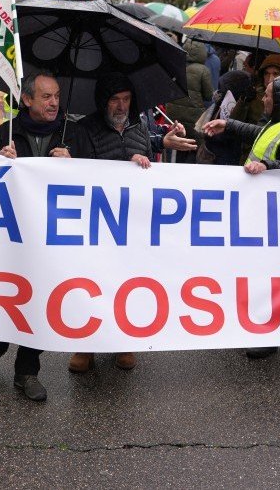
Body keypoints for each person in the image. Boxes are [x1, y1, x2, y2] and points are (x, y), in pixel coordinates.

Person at [68, 72, 197, 374]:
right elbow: (77, 172)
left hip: (132, 227)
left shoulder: (141, 126)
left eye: (126, 99)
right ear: (103, 101)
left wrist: (156, 146)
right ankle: (85, 345)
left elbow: (142, 151)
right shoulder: (85, 128)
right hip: (97, 223)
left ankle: (123, 341)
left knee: (126, 283)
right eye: (115, 99)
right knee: (93, 284)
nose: (121, 106)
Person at [0, 72, 76, 402]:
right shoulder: (7, 131)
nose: (54, 102)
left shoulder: (71, 133)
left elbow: (92, 181)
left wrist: (74, 164)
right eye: (46, 97)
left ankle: (27, 371)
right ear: (27, 100)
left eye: (57, 96)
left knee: (43, 300)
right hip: (11, 234)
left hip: (52, 235)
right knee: (7, 294)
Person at [204, 77, 280, 359]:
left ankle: (268, 337)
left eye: (267, 95)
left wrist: (268, 165)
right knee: (256, 275)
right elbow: (261, 133)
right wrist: (228, 124)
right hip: (264, 213)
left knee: (271, 278)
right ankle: (253, 324)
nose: (263, 99)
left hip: (279, 219)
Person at [165, 40, 214, 163]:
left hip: (172, 112)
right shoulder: (203, 70)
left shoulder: (176, 64)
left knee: (176, 143)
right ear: (203, 53)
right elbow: (209, 96)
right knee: (193, 146)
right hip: (194, 117)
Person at [205, 70, 254, 165]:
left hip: (226, 157)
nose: (219, 92)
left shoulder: (243, 107)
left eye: (223, 89)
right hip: (216, 154)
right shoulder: (222, 101)